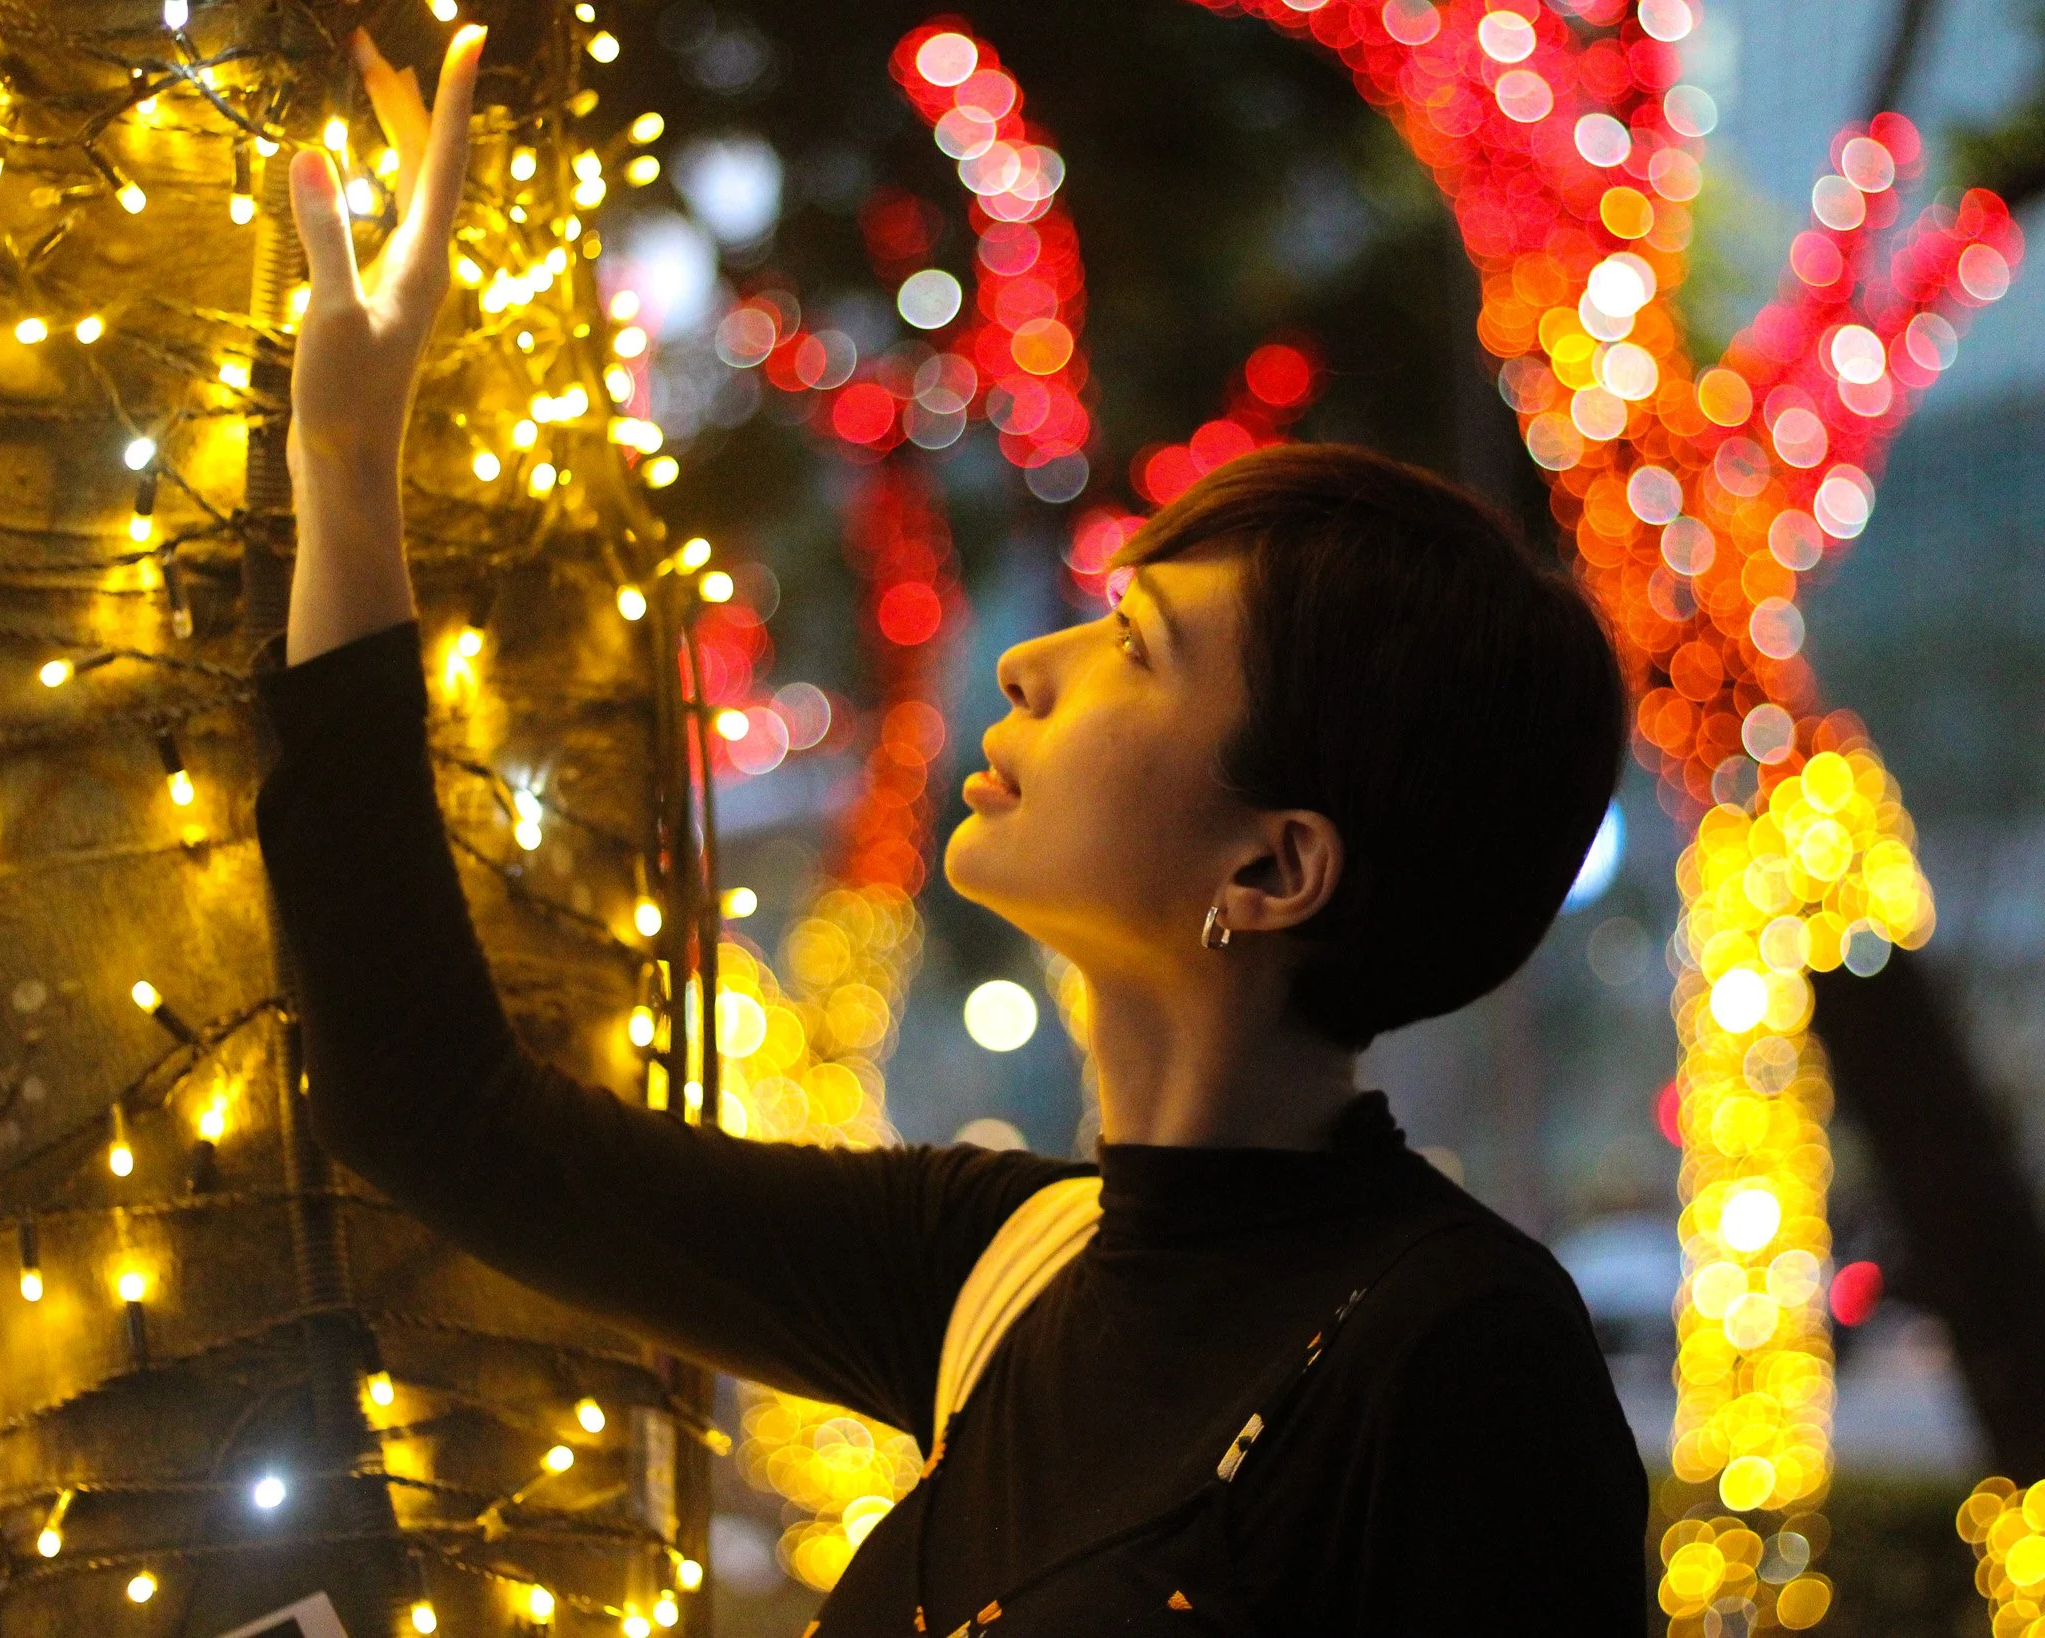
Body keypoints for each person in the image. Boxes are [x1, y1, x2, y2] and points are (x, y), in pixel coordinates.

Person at [257, 24, 1650, 1636]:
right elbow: (441, 1114)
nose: (1028, 662)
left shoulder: (1457, 1355)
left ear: (1274, 867)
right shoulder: (1007, 1262)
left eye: (1138, 648)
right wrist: (349, 470)